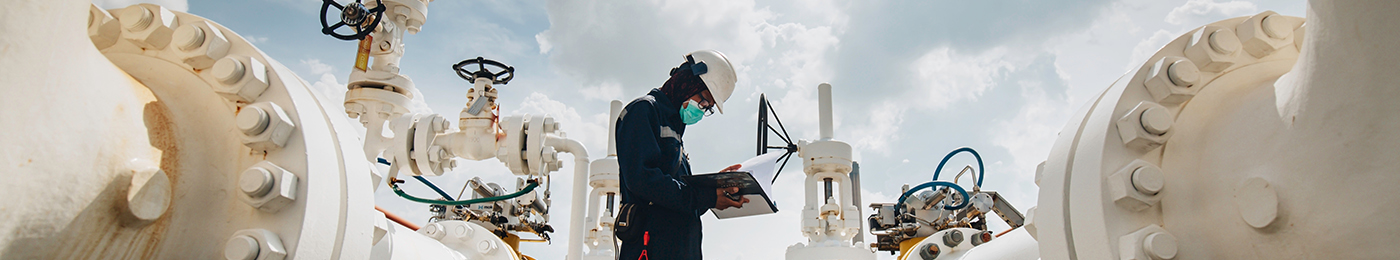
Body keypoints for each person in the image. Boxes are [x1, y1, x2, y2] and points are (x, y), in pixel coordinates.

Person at [615, 50, 749, 260]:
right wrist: (707, 196)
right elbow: (643, 181)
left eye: (708, 108)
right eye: (704, 102)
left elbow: (680, 200)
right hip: (650, 248)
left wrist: (713, 187)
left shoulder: (675, 131)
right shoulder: (643, 111)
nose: (702, 110)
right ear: (689, 82)